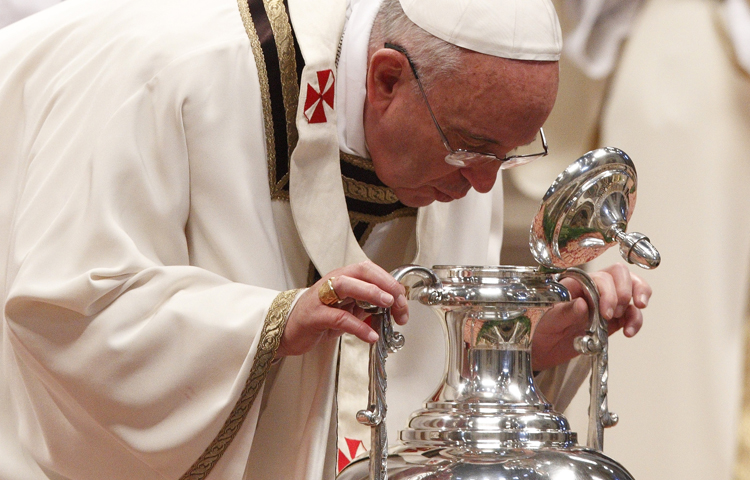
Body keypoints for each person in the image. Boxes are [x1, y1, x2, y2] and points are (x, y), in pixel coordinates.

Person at [0, 0, 652, 478]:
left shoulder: (458, 140)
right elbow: (64, 316)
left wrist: (519, 351)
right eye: (472, 149)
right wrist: (275, 322)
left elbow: (398, 405)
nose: (484, 186)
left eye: (510, 154)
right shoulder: (168, 71)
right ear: (386, 79)